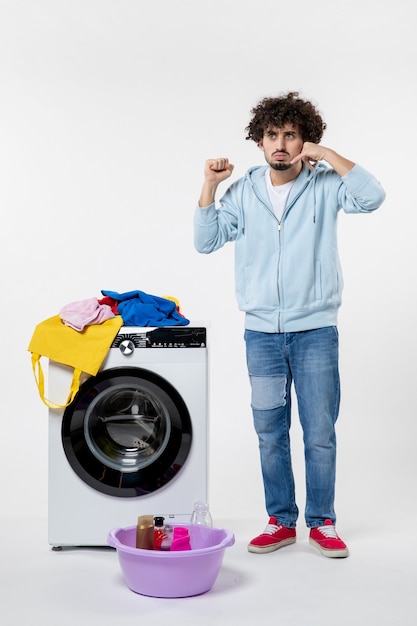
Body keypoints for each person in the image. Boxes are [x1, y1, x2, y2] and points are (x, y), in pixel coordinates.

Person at [193, 92, 385, 558]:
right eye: (273, 135)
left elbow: (372, 196)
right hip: (261, 333)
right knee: (269, 432)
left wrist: (328, 157)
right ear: (259, 142)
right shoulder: (244, 191)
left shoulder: (324, 183)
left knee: (319, 430)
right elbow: (206, 240)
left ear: (305, 140)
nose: (281, 144)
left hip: (315, 329)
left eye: (292, 135)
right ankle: (280, 520)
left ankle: (322, 522)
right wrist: (210, 186)